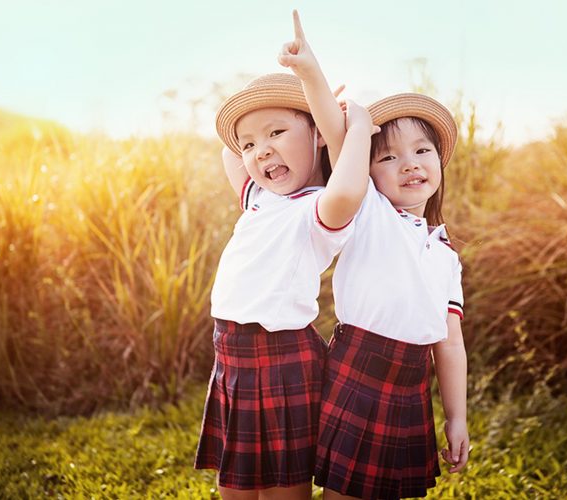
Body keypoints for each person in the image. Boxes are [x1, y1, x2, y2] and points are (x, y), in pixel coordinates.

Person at [194, 11, 376, 500]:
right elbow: (230, 152)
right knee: (235, 485)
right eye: (253, 143)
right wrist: (250, 126)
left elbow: (349, 186)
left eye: (277, 133)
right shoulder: (259, 198)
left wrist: (343, 122)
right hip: (231, 354)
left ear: (316, 136)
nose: (261, 152)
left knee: (281, 489)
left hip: (281, 358)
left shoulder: (316, 210)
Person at [313, 93, 469, 499]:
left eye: (422, 150)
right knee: (344, 493)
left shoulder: (446, 255)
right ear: (366, 171)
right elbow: (337, 139)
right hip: (359, 371)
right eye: (388, 157)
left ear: (439, 162)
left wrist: (456, 417)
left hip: (411, 384)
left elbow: (450, 343)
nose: (410, 163)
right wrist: (351, 118)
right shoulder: (370, 212)